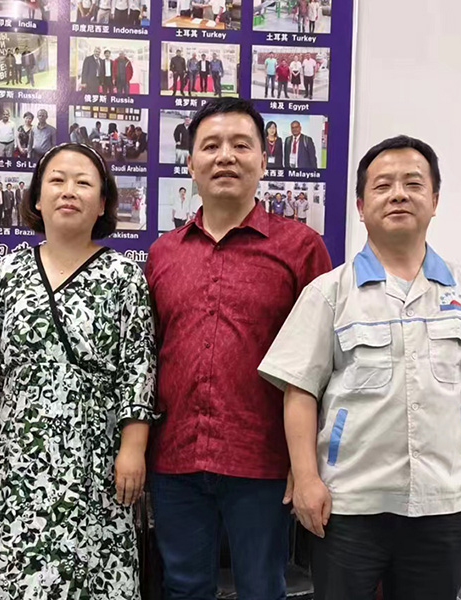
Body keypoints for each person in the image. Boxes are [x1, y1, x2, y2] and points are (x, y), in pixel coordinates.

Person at [259, 135, 461, 600]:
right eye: (383, 186)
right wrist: (307, 478)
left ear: (434, 201)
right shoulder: (329, 293)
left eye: (413, 184)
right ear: (361, 207)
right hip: (349, 505)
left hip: (441, 504)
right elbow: (300, 392)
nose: (398, 194)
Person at [146, 98, 331, 600]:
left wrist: (305, 462)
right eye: (211, 146)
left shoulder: (301, 248)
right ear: (190, 164)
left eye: (240, 145)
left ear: (263, 161)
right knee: (183, 588)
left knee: (262, 589)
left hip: (264, 461)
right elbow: (149, 355)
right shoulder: (163, 253)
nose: (225, 156)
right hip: (176, 459)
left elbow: (322, 365)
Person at [0, 142, 155, 600]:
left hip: (98, 456)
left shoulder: (124, 275)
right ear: (37, 198)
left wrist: (133, 448)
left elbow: (138, 367)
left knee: (95, 577)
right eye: (56, 180)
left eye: (84, 183)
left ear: (102, 203)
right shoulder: (6, 272)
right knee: (18, 577)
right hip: (21, 456)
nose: (69, 191)